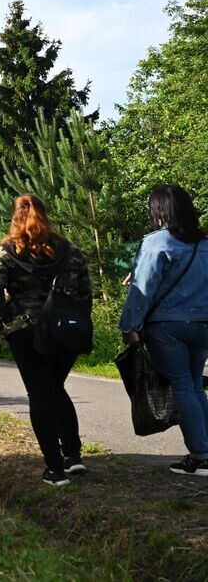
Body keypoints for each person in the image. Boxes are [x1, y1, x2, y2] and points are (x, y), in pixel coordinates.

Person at [0, 194, 92, 487]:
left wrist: (6, 315)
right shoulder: (70, 252)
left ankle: (54, 470)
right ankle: (73, 456)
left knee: (41, 395)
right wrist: (74, 320)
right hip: (64, 332)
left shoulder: (6, 252)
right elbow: (85, 294)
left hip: (26, 330)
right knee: (55, 387)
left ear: (15, 218)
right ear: (45, 215)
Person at [119, 183, 208, 476]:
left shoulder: (156, 243)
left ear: (159, 211)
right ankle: (203, 451)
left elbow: (143, 290)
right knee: (195, 385)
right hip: (202, 324)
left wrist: (129, 326)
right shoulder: (204, 243)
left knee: (182, 385)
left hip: (167, 326)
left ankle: (201, 456)